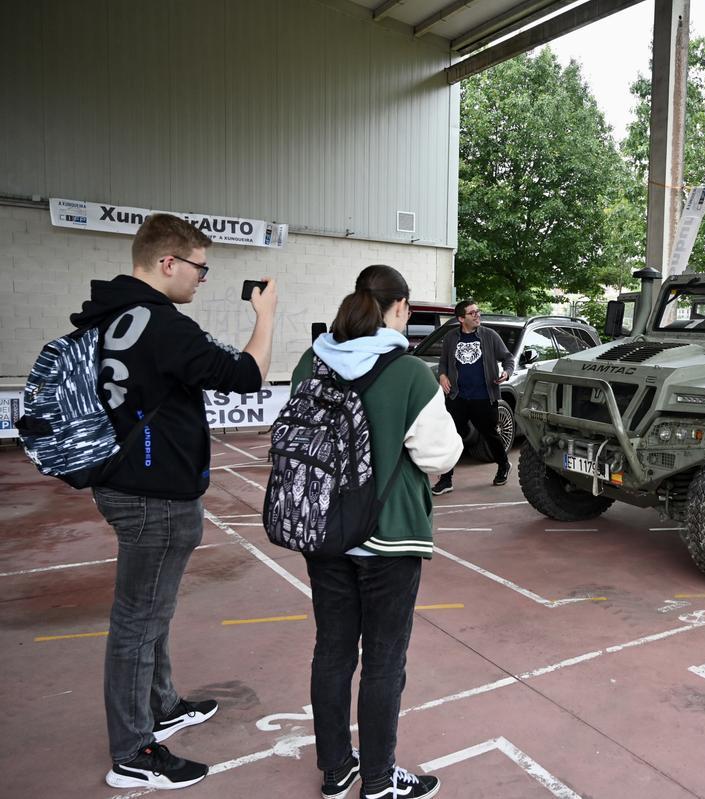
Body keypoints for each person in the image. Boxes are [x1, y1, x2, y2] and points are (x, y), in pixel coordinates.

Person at [73, 214, 277, 790]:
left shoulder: (109, 316)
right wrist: (265, 316)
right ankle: (134, 750)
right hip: (152, 491)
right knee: (138, 621)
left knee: (151, 612)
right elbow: (247, 374)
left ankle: (162, 706)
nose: (202, 278)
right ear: (168, 263)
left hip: (123, 479)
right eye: (200, 267)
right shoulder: (162, 324)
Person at [291, 264, 460, 799]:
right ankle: (381, 781)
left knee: (333, 651)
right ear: (399, 308)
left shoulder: (310, 361)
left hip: (323, 528)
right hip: (389, 536)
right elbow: (441, 455)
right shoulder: (408, 372)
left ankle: (336, 769)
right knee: (385, 659)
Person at [430, 299, 516, 495]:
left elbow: (508, 358)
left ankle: (503, 465)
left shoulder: (489, 336)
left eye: (478, 311)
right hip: (457, 397)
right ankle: (446, 480)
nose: (478, 315)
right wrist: (442, 375)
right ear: (461, 318)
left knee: (490, 436)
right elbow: (443, 362)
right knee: (451, 438)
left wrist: (507, 373)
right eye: (472, 313)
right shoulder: (452, 337)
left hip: (484, 397)